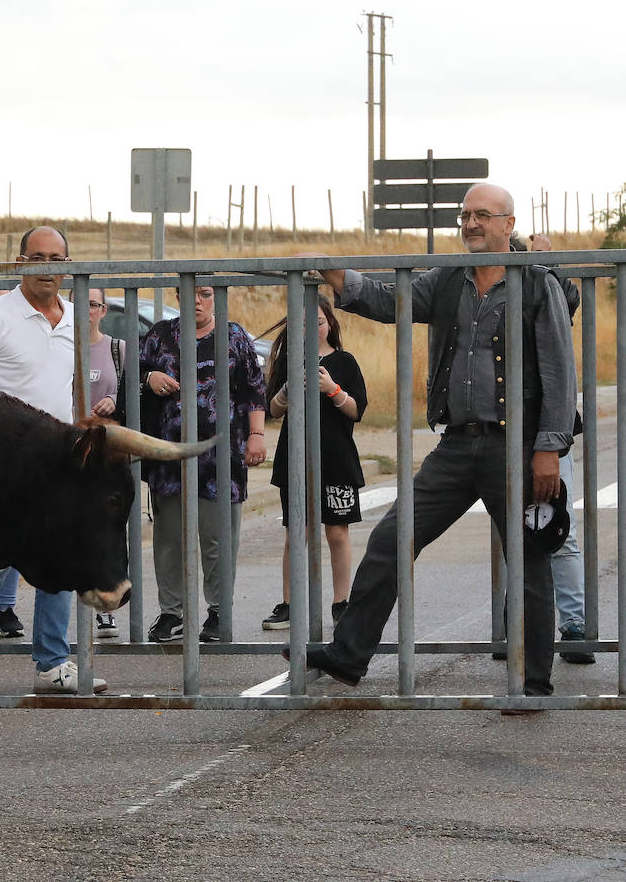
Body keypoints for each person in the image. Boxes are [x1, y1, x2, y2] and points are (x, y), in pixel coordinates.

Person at [307, 183, 576, 700]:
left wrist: (549, 448)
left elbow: (560, 372)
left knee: (529, 562)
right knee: (390, 540)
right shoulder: (448, 279)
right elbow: (389, 300)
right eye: (465, 215)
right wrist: (332, 272)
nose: (471, 223)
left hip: (516, 448)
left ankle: (533, 682)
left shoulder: (537, 284)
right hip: (456, 446)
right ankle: (348, 655)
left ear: (508, 224)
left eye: (482, 215)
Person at [0, 226, 107, 695]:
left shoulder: (75, 317)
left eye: (56, 260)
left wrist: (86, 430)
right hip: (3, 461)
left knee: (57, 563)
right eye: (38, 258)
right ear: (19, 261)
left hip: (59, 459)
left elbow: (73, 388)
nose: (47, 269)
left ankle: (53, 662)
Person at [141, 286, 267, 644]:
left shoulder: (235, 335)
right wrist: (149, 378)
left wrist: (256, 434)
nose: (197, 300)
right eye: (189, 293)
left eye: (206, 293)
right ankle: (172, 613)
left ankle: (217, 612)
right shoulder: (160, 336)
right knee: (169, 539)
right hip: (169, 456)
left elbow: (254, 388)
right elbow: (131, 375)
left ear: (216, 298)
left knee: (218, 538)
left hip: (221, 458)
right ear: (176, 295)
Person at [259, 297, 367, 631]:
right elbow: (271, 411)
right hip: (295, 459)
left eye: (319, 320)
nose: (313, 327)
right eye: (304, 321)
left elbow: (357, 410)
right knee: (298, 532)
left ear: (330, 324)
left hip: (336, 460)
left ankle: (342, 603)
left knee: (337, 532)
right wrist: (288, 391)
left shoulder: (345, 362)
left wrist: (332, 389)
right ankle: (289, 604)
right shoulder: (289, 359)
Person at [520, 232, 594, 664]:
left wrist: (548, 266)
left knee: (556, 527)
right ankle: (519, 624)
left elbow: (568, 304)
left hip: (548, 428)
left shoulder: (546, 284)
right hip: (498, 428)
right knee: (512, 529)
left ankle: (574, 625)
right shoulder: (478, 288)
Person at [86, 286, 125, 638]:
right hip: (67, 451)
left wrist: (114, 400)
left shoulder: (118, 349)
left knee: (104, 528)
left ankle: (104, 610)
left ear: (103, 310)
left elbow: (132, 394)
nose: (87, 311)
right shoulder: (61, 347)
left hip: (106, 452)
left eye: (94, 305)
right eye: (80, 305)